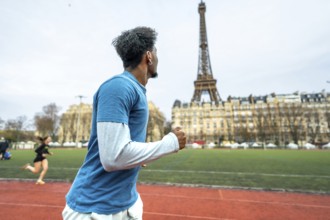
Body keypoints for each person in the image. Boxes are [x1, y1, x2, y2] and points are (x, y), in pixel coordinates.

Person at [62, 26, 186, 220]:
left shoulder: (135, 90)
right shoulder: (119, 87)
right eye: (156, 52)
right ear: (149, 56)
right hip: (94, 209)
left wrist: (137, 157)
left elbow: (122, 148)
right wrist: (170, 143)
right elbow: (113, 157)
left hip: (124, 204)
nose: (158, 57)